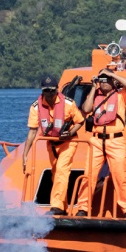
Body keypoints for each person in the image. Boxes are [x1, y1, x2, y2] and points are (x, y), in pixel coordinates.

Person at [77, 68, 126, 219]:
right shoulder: (95, 95)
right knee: (89, 175)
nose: (104, 83)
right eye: (101, 80)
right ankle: (83, 207)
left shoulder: (121, 96)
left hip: (115, 140)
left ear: (113, 81)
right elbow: (85, 109)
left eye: (107, 80)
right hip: (96, 140)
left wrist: (111, 74)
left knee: (120, 176)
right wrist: (93, 87)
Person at [22, 75, 85, 215]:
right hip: (51, 144)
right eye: (46, 91)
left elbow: (80, 121)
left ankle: (55, 207)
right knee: (55, 174)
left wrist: (70, 132)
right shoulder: (35, 107)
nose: (49, 94)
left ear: (57, 89)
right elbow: (32, 132)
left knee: (62, 172)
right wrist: (25, 154)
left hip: (69, 142)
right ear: (42, 91)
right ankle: (62, 208)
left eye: (51, 90)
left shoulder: (69, 104)